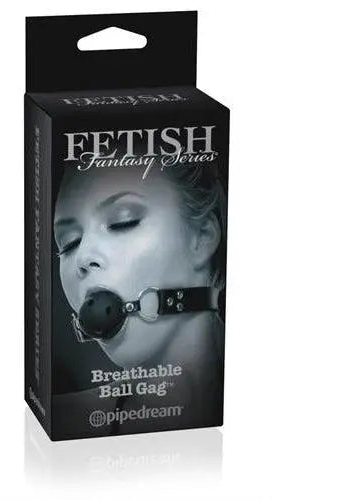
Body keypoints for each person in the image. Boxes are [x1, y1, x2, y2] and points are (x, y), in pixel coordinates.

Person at [53, 160, 226, 434]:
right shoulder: (63, 423)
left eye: (124, 222)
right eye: (69, 243)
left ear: (202, 236)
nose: (82, 257)